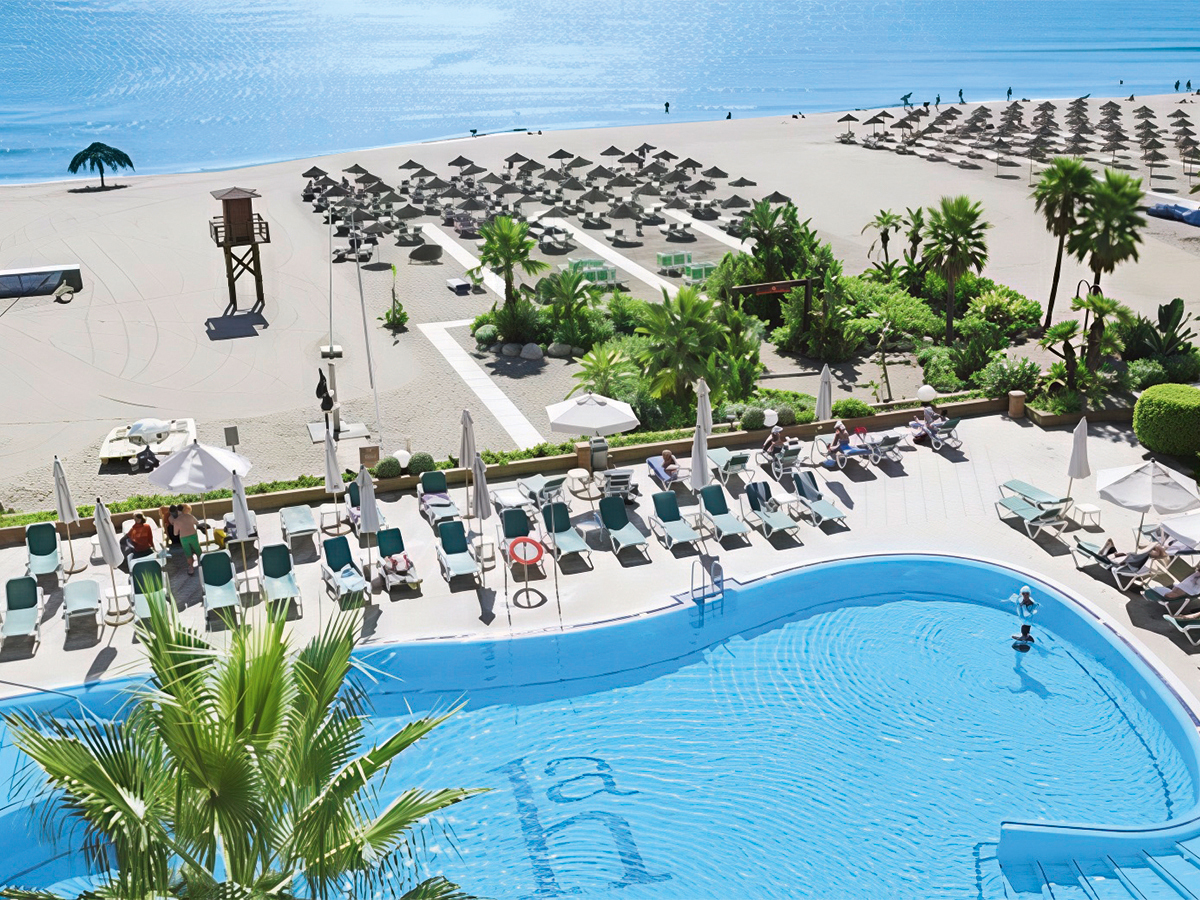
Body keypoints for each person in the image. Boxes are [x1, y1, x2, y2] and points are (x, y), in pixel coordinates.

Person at [173, 504, 202, 575]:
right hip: (193, 535)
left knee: (188, 552)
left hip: (184, 538)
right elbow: (197, 523)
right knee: (197, 549)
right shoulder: (190, 516)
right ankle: (202, 563)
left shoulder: (176, 520)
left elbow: (175, 533)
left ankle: (191, 567)